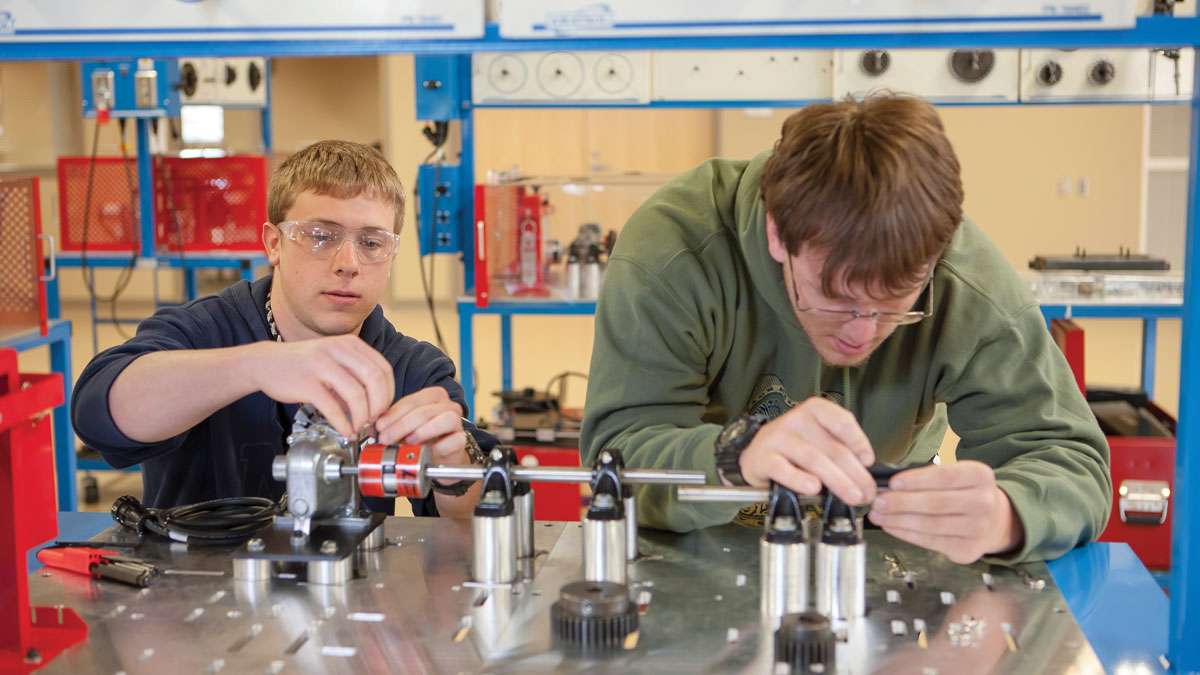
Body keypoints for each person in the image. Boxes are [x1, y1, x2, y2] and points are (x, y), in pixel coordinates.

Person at [581, 95, 1110, 564]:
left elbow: (1070, 461)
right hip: (694, 549)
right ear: (776, 234)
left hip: (880, 549)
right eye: (834, 298)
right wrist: (736, 455)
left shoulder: (964, 280)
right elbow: (619, 453)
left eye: (893, 306)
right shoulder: (672, 252)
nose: (861, 334)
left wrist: (1006, 515)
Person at [73, 140, 487, 517]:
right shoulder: (204, 331)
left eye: (372, 243)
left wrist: (452, 466)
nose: (348, 263)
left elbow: (468, 518)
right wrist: (256, 366)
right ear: (273, 244)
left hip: (346, 589)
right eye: (321, 236)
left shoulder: (411, 368)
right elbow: (97, 412)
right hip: (197, 583)